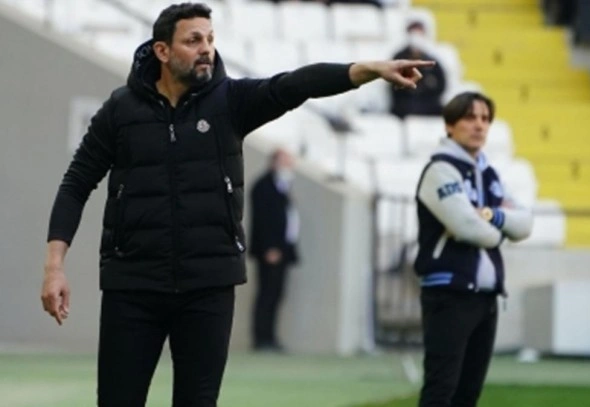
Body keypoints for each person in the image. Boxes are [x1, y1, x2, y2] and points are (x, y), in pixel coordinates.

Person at [40, 2, 433, 405]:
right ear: (162, 50)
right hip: (133, 284)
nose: (206, 49)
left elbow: (295, 85)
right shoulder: (120, 110)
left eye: (210, 39)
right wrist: (55, 267)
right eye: (194, 40)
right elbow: (75, 184)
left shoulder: (230, 101)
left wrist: (369, 70)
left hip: (208, 287)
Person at [414, 92, 533, 407]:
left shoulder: (489, 173)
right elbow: (467, 226)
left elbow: (525, 224)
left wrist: (492, 216)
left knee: (468, 393)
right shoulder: (440, 170)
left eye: (485, 119)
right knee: (441, 388)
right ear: (450, 125)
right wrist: (500, 232)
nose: (479, 125)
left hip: (485, 297)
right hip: (449, 293)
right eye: (469, 118)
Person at [249, 149, 299, 352]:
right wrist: (269, 247)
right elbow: (263, 220)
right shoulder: (263, 186)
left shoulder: (282, 186)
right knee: (267, 294)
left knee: (276, 294)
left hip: (282, 251)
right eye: (285, 161)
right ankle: (261, 338)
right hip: (270, 252)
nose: (289, 166)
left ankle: (270, 337)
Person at [390, 21, 447, 119]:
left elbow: (441, 85)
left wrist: (427, 88)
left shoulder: (431, 60)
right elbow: (393, 85)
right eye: (414, 34)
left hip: (427, 103)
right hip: (405, 103)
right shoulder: (399, 58)